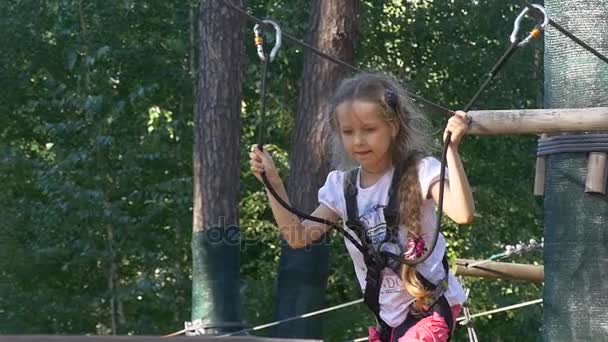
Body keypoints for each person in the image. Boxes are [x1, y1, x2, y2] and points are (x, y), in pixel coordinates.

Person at [249, 72, 474, 342]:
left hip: (430, 310)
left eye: (369, 129)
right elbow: (297, 236)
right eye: (348, 132)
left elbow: (462, 214)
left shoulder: (419, 170)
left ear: (393, 126)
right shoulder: (342, 189)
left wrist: (451, 150)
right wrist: (272, 182)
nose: (358, 140)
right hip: (390, 322)